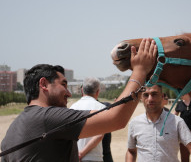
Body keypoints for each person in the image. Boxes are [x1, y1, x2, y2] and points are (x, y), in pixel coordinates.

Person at [1, 38, 157, 161]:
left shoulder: (13, 130)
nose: (69, 93)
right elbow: (117, 119)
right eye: (63, 84)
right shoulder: (46, 118)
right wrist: (140, 70)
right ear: (43, 84)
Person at [125, 85, 191, 162]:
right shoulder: (134, 123)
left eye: (154, 94)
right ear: (141, 98)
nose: (150, 99)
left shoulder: (177, 122)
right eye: (146, 95)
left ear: (162, 96)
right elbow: (131, 151)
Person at [70, 77, 105, 162]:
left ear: (82, 90)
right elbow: (99, 135)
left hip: (75, 157)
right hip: (94, 157)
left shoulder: (72, 108)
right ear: (97, 92)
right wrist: (82, 153)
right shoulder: (101, 108)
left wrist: (78, 154)